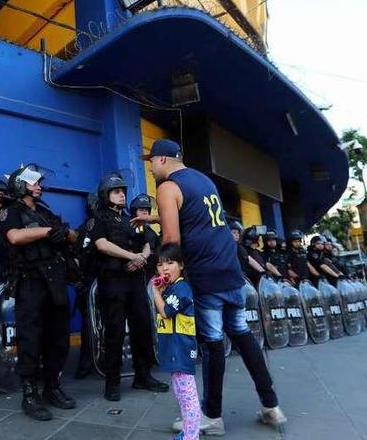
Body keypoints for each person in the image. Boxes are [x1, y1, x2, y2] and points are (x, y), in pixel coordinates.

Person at [134, 139, 285, 435]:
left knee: (213, 344)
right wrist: (156, 216)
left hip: (205, 274)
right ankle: (271, 406)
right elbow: (199, 218)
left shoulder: (166, 187)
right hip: (231, 272)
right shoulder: (203, 180)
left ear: (162, 159)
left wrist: (164, 277)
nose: (149, 168)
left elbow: (172, 241)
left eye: (150, 161)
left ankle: (212, 416)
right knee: (242, 335)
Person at [1, 163, 77, 421]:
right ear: (22, 186)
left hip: (54, 280)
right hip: (31, 281)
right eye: (34, 183)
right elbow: (14, 237)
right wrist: (47, 232)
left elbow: (72, 237)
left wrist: (64, 234)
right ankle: (30, 393)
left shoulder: (46, 212)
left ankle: (52, 387)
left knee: (58, 336)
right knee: (30, 337)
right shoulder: (13, 211)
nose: (39, 186)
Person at [89, 171, 167, 401]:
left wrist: (141, 258)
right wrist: (130, 257)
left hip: (135, 281)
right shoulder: (99, 218)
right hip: (112, 282)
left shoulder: (131, 219)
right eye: (116, 191)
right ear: (106, 195)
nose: (122, 195)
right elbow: (101, 244)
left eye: (123, 191)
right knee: (114, 331)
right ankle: (112, 382)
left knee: (142, 327)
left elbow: (145, 244)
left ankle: (142, 376)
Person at [150, 243, 202, 440]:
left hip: (181, 349)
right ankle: (187, 431)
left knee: (188, 397)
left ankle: (192, 436)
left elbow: (165, 311)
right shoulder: (172, 288)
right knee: (181, 393)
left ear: (181, 265)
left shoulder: (181, 289)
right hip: (174, 349)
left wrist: (154, 291)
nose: (164, 269)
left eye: (170, 263)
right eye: (160, 264)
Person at [73, 193, 100, 379]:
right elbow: (75, 258)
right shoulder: (83, 229)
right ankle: (87, 360)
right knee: (88, 324)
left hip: (109, 278)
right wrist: (78, 280)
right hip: (88, 281)